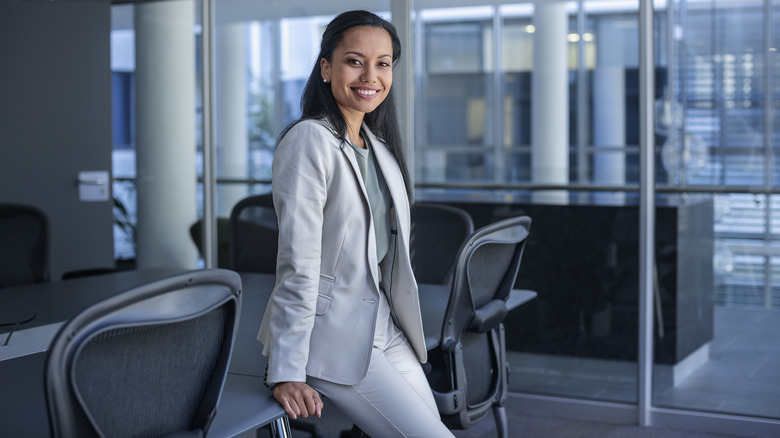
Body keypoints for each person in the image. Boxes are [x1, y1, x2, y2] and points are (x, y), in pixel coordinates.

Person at [256, 9, 455, 438]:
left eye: (383, 63)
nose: (371, 74)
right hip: (331, 340)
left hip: (382, 326)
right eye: (354, 60)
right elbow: (298, 262)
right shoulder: (310, 140)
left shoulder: (379, 148)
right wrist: (286, 369)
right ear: (326, 67)